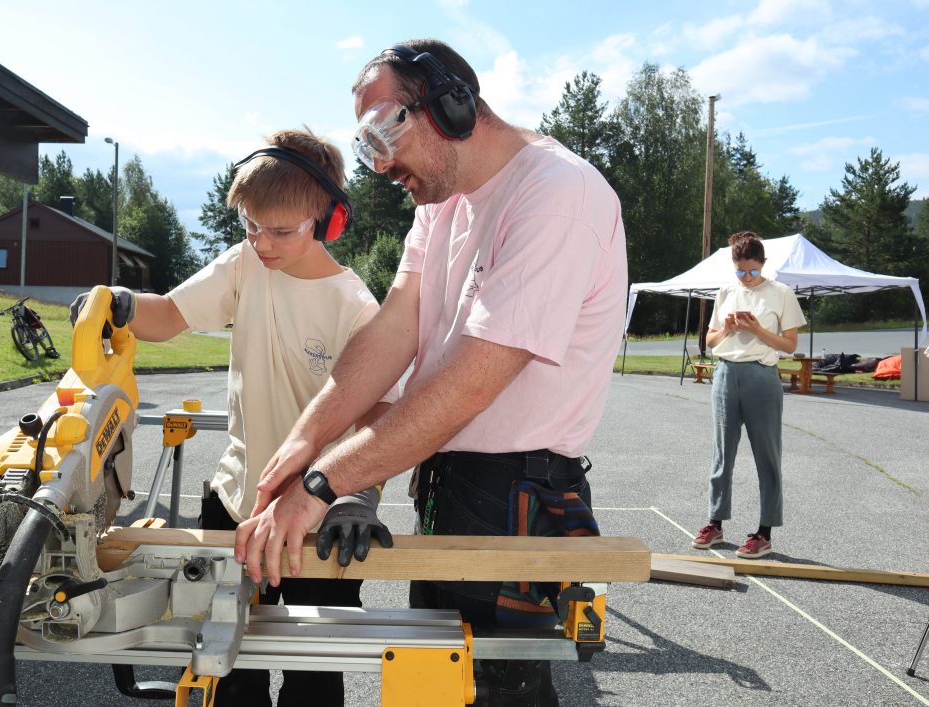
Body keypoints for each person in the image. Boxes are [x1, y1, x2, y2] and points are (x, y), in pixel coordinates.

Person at [234, 39, 628, 706]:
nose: (382, 164)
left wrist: (323, 484)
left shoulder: (557, 195)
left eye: (387, 132)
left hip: (517, 496)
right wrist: (299, 449)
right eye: (367, 145)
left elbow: (472, 383)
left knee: (498, 691)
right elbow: (392, 330)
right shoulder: (440, 200)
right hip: (449, 483)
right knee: (430, 685)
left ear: (451, 105)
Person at [69, 128, 396, 707]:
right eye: (250, 226)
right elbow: (169, 314)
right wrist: (119, 302)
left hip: (316, 515)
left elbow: (380, 418)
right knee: (227, 659)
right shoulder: (245, 265)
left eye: (280, 231)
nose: (262, 243)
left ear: (327, 219)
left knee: (312, 675)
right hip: (234, 502)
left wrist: (353, 499)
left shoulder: (355, 307)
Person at [692, 231, 806, 560]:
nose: (747, 277)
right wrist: (727, 327)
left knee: (767, 455)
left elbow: (789, 345)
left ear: (763, 265)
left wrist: (756, 329)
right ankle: (715, 522)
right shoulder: (726, 292)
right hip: (726, 374)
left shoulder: (781, 293)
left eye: (752, 271)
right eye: (741, 271)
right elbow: (711, 341)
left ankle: (764, 531)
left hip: (762, 375)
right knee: (721, 454)